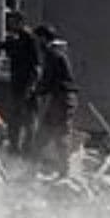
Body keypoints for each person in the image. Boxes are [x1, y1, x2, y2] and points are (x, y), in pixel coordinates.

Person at [30, 24, 78, 172]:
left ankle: (64, 171)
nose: (35, 43)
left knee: (60, 133)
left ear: (43, 38)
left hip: (62, 98)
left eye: (37, 39)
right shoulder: (55, 53)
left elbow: (47, 79)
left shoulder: (53, 54)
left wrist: (35, 92)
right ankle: (32, 167)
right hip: (59, 98)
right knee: (44, 132)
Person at [0, 13, 40, 154]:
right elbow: (6, 48)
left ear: (20, 22)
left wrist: (31, 87)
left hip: (27, 85)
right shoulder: (15, 38)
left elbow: (37, 66)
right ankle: (14, 148)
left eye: (13, 22)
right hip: (16, 84)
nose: (10, 25)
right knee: (15, 118)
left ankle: (28, 150)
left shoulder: (30, 38)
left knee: (28, 120)